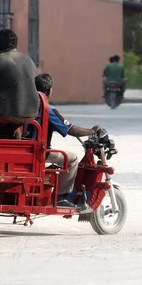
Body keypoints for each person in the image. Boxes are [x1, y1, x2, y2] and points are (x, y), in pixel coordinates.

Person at [29, 73, 102, 208]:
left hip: (25, 150)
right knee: (72, 159)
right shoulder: (47, 110)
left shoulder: (25, 106)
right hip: (39, 153)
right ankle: (61, 197)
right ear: (49, 90)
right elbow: (71, 130)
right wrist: (92, 131)